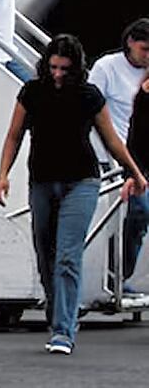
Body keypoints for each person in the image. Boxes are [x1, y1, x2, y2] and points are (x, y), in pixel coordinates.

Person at [0, 35, 146, 354]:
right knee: (45, 252)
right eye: (53, 67)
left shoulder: (89, 96)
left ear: (75, 68)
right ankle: (57, 309)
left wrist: (134, 171)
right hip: (42, 180)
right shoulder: (32, 92)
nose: (58, 74)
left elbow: (112, 140)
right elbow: (13, 135)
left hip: (82, 181)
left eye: (64, 69)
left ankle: (63, 330)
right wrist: (2, 175)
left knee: (67, 254)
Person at [88, 17, 149, 293]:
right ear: (130, 43)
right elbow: (89, 108)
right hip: (116, 155)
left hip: (141, 155)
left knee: (139, 215)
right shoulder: (107, 67)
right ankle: (114, 276)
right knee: (136, 209)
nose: (148, 56)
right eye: (144, 50)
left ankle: (121, 275)